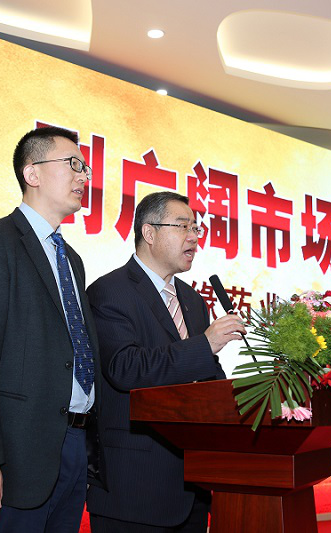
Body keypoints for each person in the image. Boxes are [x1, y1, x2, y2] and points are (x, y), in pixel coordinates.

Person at [0, 126, 99, 533]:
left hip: (72, 446)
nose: (84, 176)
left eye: (85, 168)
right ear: (32, 173)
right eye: (74, 164)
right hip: (13, 455)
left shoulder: (71, 260)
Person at [86, 191, 246, 532]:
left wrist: (251, 394)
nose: (194, 237)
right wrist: (205, 344)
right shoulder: (110, 291)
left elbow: (205, 376)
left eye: (196, 228)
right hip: (136, 486)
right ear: (149, 232)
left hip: (194, 483)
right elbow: (125, 368)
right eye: (183, 226)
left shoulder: (192, 300)